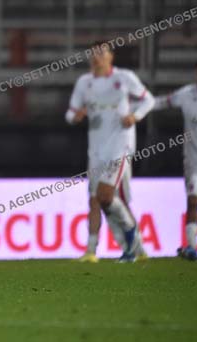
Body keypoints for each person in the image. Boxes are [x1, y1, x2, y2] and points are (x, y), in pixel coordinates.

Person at [66, 41, 155, 263]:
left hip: (120, 146)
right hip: (96, 150)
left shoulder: (124, 77)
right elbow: (70, 113)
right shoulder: (84, 83)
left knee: (105, 195)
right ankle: (93, 251)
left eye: (101, 53)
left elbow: (149, 100)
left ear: (110, 56)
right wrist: (75, 116)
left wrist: (135, 116)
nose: (97, 57)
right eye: (93, 53)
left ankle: (133, 239)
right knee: (97, 200)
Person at [152, 59, 197, 260]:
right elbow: (161, 102)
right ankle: (192, 247)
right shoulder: (186, 94)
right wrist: (137, 106)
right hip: (194, 162)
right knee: (193, 201)